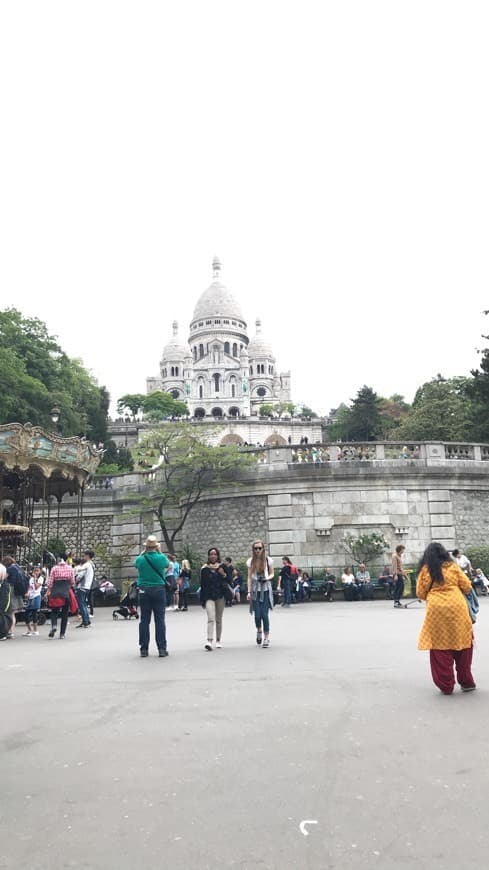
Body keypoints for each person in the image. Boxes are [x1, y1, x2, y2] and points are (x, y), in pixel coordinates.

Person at [416, 542, 476, 694]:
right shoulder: (453, 566)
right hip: (458, 608)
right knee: (463, 643)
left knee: (440, 647)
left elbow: (420, 593)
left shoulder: (425, 570)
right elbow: (467, 586)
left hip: (436, 611)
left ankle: (446, 684)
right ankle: (466, 682)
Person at [134, 535, 170, 657]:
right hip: (159, 590)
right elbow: (167, 565)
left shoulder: (141, 559)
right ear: (156, 546)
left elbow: (136, 563)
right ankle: (162, 648)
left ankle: (144, 648)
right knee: (160, 620)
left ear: (146, 547)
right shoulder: (161, 557)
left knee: (144, 620)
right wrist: (159, 551)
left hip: (144, 590)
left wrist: (144, 552)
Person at [247, 540, 274, 648]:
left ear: (263, 549)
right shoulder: (250, 561)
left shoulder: (268, 560)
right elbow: (249, 577)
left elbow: (272, 573)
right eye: (255, 548)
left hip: (266, 589)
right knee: (257, 615)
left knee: (264, 615)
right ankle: (259, 630)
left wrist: (267, 578)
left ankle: (266, 637)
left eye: (259, 548)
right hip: (255, 590)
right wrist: (248, 592)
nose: (257, 550)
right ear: (253, 550)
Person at [200, 547, 228, 650]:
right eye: (211, 554)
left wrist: (223, 574)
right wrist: (202, 600)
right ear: (208, 556)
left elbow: (229, 580)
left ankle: (218, 640)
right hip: (209, 597)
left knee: (218, 619)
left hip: (220, 596)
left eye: (215, 554)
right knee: (211, 618)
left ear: (217, 556)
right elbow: (202, 585)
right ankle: (209, 640)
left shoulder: (222, 567)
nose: (213, 556)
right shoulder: (204, 569)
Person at [46, 554, 76, 639]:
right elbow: (73, 581)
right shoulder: (70, 568)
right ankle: (62, 634)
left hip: (55, 591)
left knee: (54, 611)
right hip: (66, 591)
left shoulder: (54, 568)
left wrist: (48, 591)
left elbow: (50, 582)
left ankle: (54, 626)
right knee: (65, 614)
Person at [2, 555, 27, 638]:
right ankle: (11, 632)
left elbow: (3, 577)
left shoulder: (10, 569)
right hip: (17, 591)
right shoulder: (18, 568)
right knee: (12, 613)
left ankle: (8, 631)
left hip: (10, 590)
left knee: (9, 612)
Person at [75, 549, 95, 628]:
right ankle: (86, 621)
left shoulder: (86, 565)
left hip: (82, 586)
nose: (83, 557)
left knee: (81, 604)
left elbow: (80, 575)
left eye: (84, 555)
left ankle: (85, 621)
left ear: (87, 556)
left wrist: (76, 579)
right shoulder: (92, 564)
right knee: (84, 604)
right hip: (88, 586)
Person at [23, 565, 43, 636]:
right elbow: (30, 587)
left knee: (34, 613)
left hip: (36, 596)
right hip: (30, 597)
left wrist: (35, 579)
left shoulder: (41, 578)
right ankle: (29, 630)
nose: (36, 572)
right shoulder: (31, 579)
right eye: (35, 571)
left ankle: (35, 630)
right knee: (26, 614)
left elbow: (37, 587)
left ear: (40, 571)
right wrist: (28, 593)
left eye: (37, 571)